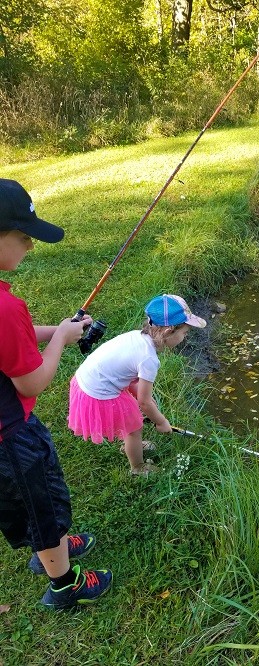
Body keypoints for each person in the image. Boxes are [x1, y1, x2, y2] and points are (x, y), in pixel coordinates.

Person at [0, 178, 113, 610]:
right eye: (24, 236)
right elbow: (31, 381)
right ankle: (63, 583)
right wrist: (61, 341)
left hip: (10, 429)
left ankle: (52, 545)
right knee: (42, 504)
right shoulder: (5, 308)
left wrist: (64, 329)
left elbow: (16, 340)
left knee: (37, 498)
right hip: (10, 438)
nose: (30, 245)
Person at [68, 294, 206, 476]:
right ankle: (137, 467)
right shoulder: (149, 358)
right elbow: (144, 402)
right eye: (184, 333)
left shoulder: (137, 337)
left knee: (131, 417)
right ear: (168, 331)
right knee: (134, 427)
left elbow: (130, 380)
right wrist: (161, 422)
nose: (184, 338)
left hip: (87, 379)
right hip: (99, 392)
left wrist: (146, 403)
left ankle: (132, 446)